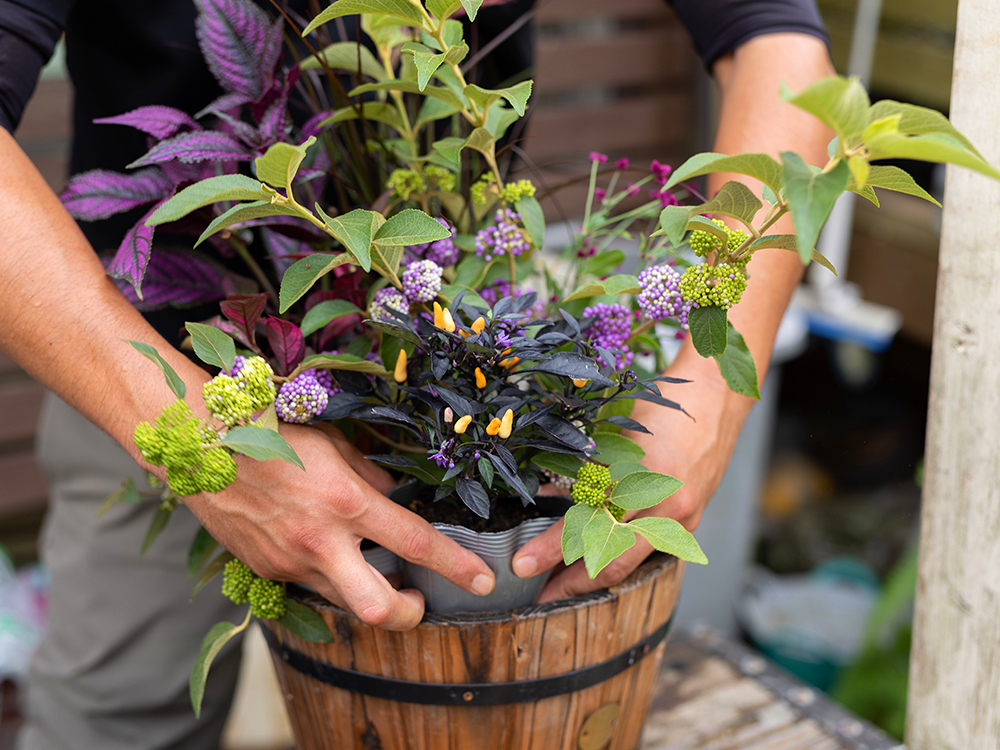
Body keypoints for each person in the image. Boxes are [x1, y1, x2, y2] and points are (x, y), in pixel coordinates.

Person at [0, 0, 834, 747]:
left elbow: (779, 45)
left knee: (499, 704)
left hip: (456, 360)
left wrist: (714, 391)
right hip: (145, 372)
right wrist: (202, 444)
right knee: (119, 717)